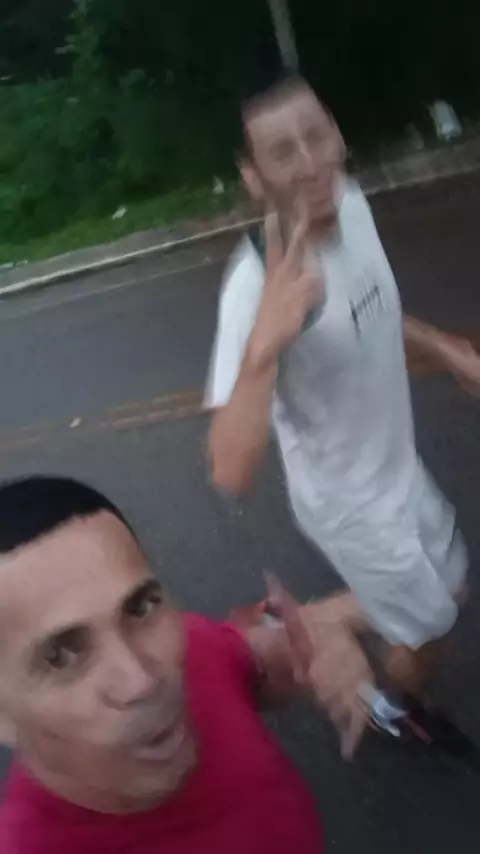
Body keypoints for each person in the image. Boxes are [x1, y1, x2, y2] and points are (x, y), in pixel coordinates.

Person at [206, 74, 480, 716]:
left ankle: (324, 616)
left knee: (454, 590)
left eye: (316, 135)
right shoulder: (256, 287)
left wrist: (448, 352)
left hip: (397, 466)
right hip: (351, 507)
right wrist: (266, 344)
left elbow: (374, 310)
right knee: (433, 631)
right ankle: (404, 706)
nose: (310, 164)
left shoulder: (351, 201)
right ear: (254, 177)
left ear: (338, 135)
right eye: (283, 152)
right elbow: (229, 471)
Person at [0, 475, 372, 853]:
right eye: (60, 657)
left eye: (140, 606)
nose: (142, 679)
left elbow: (257, 666)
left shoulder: (194, 643)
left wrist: (318, 639)